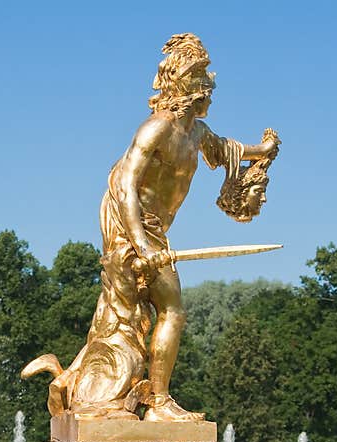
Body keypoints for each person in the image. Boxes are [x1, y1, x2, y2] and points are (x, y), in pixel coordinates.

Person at [22, 33, 279, 421]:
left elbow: (227, 149)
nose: (211, 87)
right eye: (204, 80)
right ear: (186, 85)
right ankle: (156, 401)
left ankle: (71, 381)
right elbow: (125, 183)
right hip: (128, 225)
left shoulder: (197, 134)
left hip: (153, 231)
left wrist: (263, 151)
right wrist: (141, 244)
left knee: (121, 315)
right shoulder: (156, 128)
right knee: (170, 310)